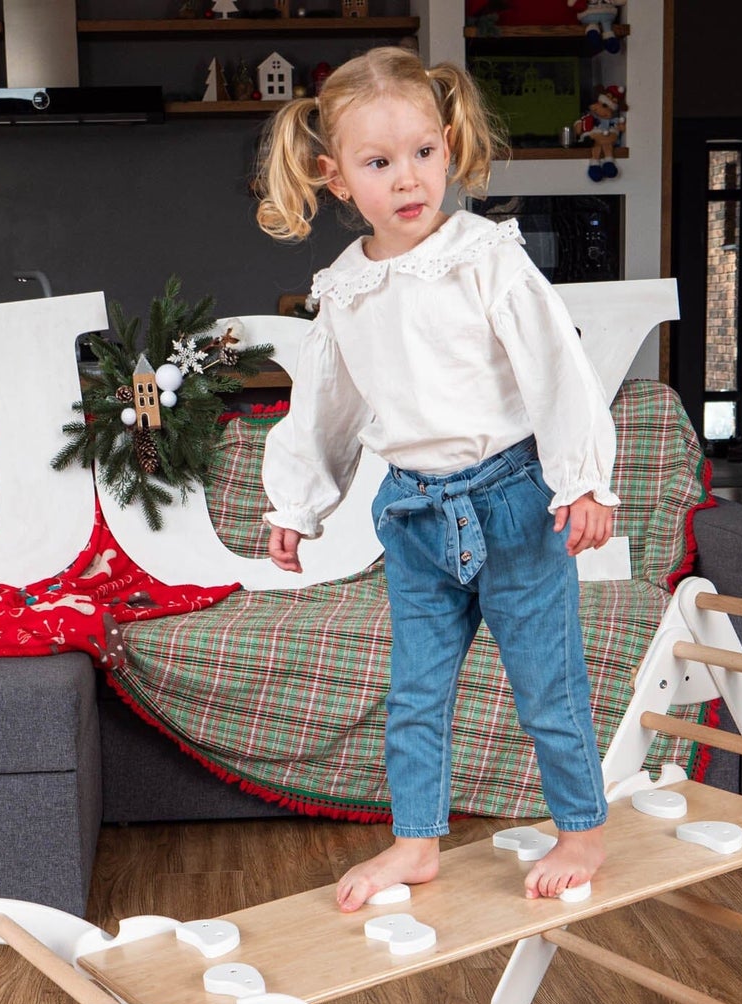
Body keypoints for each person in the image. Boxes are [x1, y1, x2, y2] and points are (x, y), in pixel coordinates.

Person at [254, 46, 618, 912]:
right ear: (333, 177)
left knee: (545, 683)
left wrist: (582, 480)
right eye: (378, 163)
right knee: (414, 692)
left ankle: (582, 827)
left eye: (422, 153)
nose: (407, 179)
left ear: (448, 147)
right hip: (413, 513)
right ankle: (415, 842)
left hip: (513, 503)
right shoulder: (342, 289)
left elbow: (555, 370)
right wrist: (296, 506)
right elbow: (324, 408)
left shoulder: (483, 255)